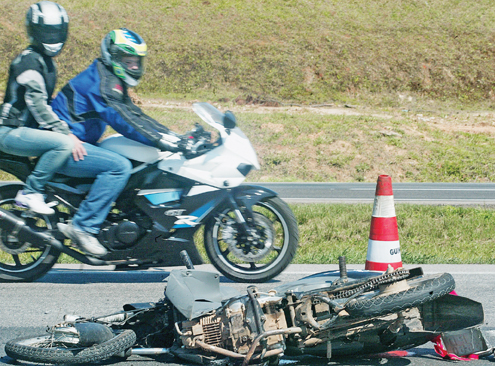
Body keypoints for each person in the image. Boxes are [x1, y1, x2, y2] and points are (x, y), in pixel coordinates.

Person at [51, 28, 186, 257]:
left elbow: (134, 114)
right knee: (118, 166)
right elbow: (123, 120)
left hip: (76, 144)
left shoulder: (107, 77)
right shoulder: (101, 83)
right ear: (112, 56)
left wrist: (172, 136)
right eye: (128, 60)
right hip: (63, 148)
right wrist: (161, 141)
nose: (133, 66)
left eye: (136, 61)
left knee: (126, 159)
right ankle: (83, 226)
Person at [0, 1, 75, 215]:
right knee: (62, 144)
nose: (52, 38)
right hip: (10, 131)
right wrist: (66, 133)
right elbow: (37, 104)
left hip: (21, 131)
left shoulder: (45, 61)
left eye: (57, 32)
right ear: (34, 31)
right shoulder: (29, 61)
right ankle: (31, 192)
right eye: (47, 32)